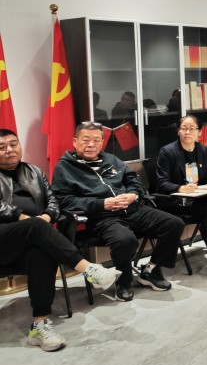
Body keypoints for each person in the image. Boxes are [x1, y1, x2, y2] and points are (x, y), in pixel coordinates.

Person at [0, 129, 121, 351]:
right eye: (1, 147)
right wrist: (26, 219)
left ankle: (40, 325)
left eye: (13, 144)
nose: (9, 150)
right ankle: (89, 269)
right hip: (3, 241)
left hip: (32, 238)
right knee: (36, 226)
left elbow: (53, 202)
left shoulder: (34, 172)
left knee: (40, 254)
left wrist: (47, 216)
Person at [53, 121, 184, 302]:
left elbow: (133, 181)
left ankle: (151, 269)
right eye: (85, 140)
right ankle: (123, 281)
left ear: (102, 142)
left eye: (96, 140)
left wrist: (133, 195)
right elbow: (64, 200)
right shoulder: (65, 167)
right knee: (125, 240)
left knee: (174, 224)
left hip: (133, 209)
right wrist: (101, 204)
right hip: (103, 218)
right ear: (75, 141)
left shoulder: (111, 159)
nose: (91, 144)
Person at [156, 114, 207, 274]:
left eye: (192, 129)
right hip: (175, 202)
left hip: (197, 199)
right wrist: (180, 188)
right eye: (184, 128)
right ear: (178, 131)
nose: (187, 132)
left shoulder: (203, 150)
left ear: (199, 132)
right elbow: (162, 183)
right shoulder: (167, 152)